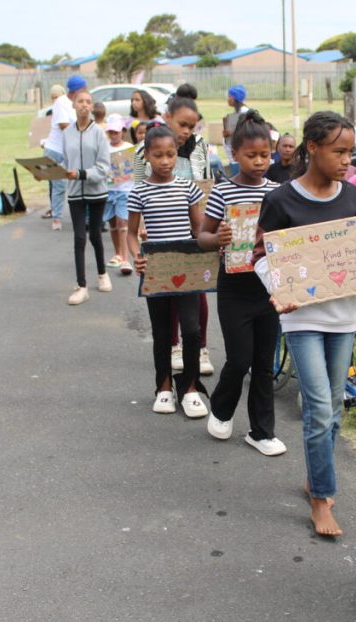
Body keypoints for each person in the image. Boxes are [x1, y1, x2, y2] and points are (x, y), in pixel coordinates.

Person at [252, 111, 356, 538]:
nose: (346, 160)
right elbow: (260, 255)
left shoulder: (355, 198)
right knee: (319, 408)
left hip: (343, 318)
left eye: (350, 152)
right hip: (300, 318)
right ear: (312, 148)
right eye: (338, 151)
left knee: (334, 408)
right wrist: (276, 289)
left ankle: (314, 475)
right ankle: (321, 498)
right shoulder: (282, 199)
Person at [198, 111, 285, 456]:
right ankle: (221, 407)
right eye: (252, 155)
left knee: (264, 362)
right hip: (234, 286)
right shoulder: (223, 191)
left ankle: (261, 432)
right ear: (234, 154)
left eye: (266, 155)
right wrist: (216, 237)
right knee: (239, 359)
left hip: (269, 285)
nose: (260, 162)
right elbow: (201, 235)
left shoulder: (279, 192)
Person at [127, 125, 208, 419]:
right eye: (158, 155)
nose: (165, 161)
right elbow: (132, 234)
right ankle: (163, 386)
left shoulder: (188, 188)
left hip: (186, 269)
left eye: (171, 154)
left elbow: (198, 229)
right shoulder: (139, 192)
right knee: (162, 332)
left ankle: (189, 387)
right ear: (146, 155)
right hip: (157, 271)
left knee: (191, 329)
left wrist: (210, 246)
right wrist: (136, 256)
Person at [159, 97, 215, 376]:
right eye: (182, 124)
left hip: (194, 230)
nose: (186, 132)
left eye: (191, 127)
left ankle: (202, 348)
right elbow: (138, 187)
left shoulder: (200, 148)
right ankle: (173, 345)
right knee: (168, 293)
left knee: (197, 291)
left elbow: (206, 186)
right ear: (167, 117)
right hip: (161, 232)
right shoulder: (150, 147)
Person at [62, 90, 111, 305]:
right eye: (80, 101)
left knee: (95, 236)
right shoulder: (67, 133)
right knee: (79, 237)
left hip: (96, 191)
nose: (84, 105)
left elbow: (104, 168)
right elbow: (65, 162)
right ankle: (82, 286)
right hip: (75, 193)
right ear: (73, 105)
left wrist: (82, 174)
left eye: (88, 102)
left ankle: (102, 273)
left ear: (92, 107)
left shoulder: (99, 133)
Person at [42, 76, 83, 231]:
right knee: (59, 185)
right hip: (57, 150)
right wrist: (82, 133)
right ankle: (57, 218)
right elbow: (63, 125)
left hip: (72, 150)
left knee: (79, 183)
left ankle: (82, 218)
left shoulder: (80, 103)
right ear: (75, 89)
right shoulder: (61, 102)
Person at [103, 114, 134, 275]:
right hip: (109, 190)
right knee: (113, 224)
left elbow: (135, 170)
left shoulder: (128, 148)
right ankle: (118, 253)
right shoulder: (104, 148)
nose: (113, 135)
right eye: (111, 132)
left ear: (122, 130)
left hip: (125, 189)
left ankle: (125, 258)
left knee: (123, 223)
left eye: (116, 132)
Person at [40, 84, 67, 220]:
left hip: (66, 151)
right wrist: (43, 142)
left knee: (62, 184)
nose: (56, 100)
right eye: (53, 98)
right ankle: (55, 213)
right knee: (54, 183)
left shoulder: (68, 109)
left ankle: (58, 213)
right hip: (53, 150)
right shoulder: (51, 113)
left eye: (57, 97)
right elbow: (46, 132)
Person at [223, 85, 249, 174]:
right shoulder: (235, 114)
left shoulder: (245, 112)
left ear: (235, 98)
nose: (228, 99)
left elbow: (247, 130)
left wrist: (231, 133)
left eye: (229, 96)